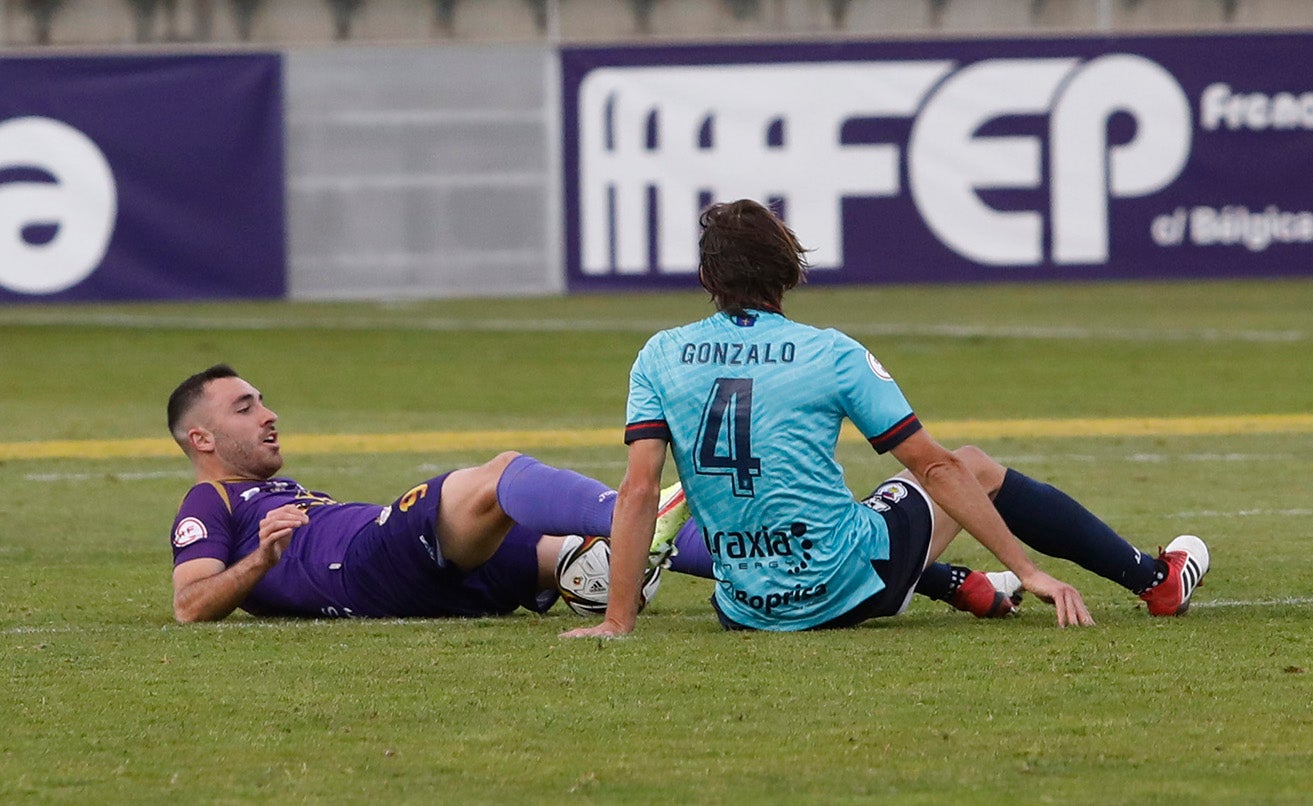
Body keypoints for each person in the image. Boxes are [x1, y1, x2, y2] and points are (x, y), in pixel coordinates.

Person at [563, 199, 1210, 638]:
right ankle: (1156, 582)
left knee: (859, 512)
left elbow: (641, 491)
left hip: (746, 608)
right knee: (972, 466)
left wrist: (619, 621)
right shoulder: (830, 353)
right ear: (788, 270)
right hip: (846, 585)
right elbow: (936, 466)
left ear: (707, 275)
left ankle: (963, 585)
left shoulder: (659, 355)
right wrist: (1032, 566)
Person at [166, 364, 685, 622]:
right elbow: (189, 605)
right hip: (363, 566)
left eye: (262, 401)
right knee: (499, 474)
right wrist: (259, 560)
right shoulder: (212, 500)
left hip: (414, 578)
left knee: (583, 550)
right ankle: (631, 509)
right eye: (244, 408)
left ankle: (750, 566)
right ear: (202, 439)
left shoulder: (284, 491)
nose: (269, 414)